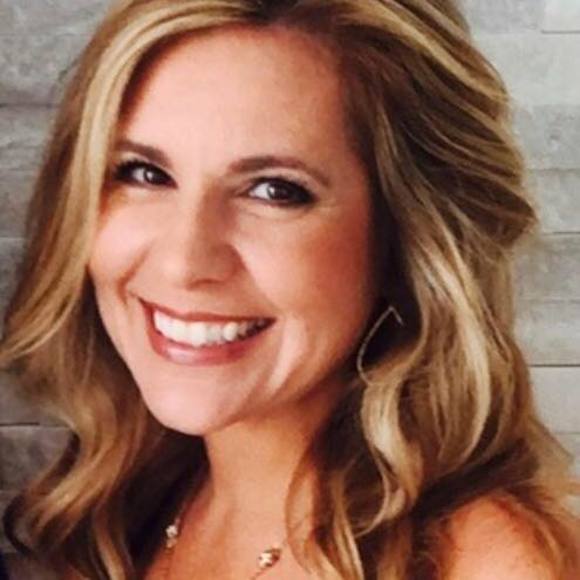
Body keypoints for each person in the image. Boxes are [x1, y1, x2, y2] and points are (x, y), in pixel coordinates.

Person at [1, 0, 578, 578]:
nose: (183, 263)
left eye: (275, 191)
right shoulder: (133, 506)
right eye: (145, 174)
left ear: (405, 240)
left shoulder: (494, 564)